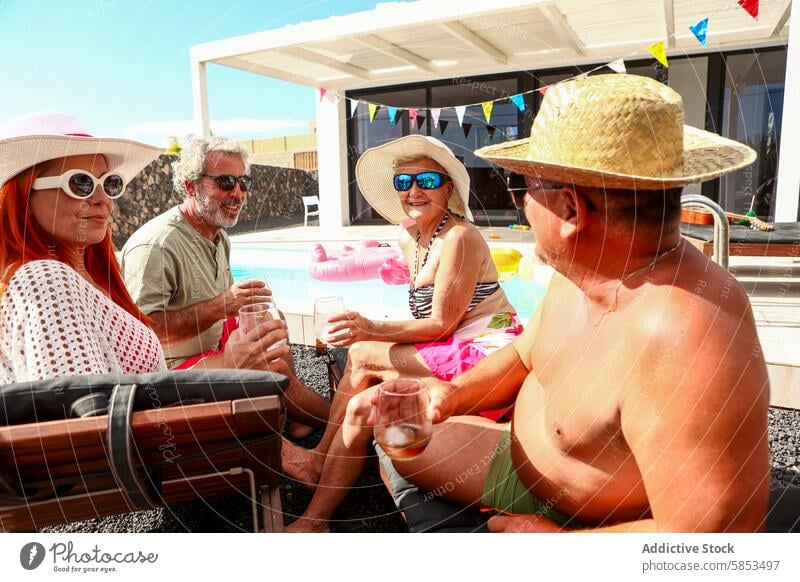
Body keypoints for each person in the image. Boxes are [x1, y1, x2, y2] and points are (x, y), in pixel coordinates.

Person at [345, 74, 771, 533]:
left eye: (524, 187)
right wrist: (455, 394)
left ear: (570, 210)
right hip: (519, 459)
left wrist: (556, 543)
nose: (522, 205)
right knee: (390, 430)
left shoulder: (690, 334)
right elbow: (527, 353)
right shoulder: (582, 273)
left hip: (601, 527)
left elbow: (716, 538)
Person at [285, 135, 522, 532]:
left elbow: (440, 323)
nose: (414, 191)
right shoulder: (408, 236)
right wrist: (374, 333)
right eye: (403, 182)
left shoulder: (459, 238)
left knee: (361, 355)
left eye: (427, 181)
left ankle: (317, 470)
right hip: (452, 343)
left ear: (448, 188)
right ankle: (320, 467)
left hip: (481, 349)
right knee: (362, 367)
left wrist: (370, 327)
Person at [120, 136, 329, 432]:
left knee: (272, 325)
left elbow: (227, 310)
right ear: (191, 186)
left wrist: (252, 316)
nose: (238, 193)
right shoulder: (158, 246)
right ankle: (344, 425)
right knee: (268, 365)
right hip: (171, 373)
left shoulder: (218, 236)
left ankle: (295, 413)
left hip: (211, 343)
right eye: (226, 182)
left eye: (244, 183)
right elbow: (143, 333)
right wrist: (220, 306)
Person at [0, 112, 167, 382]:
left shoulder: (84, 277)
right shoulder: (46, 281)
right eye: (80, 182)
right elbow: (80, 414)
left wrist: (222, 364)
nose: (103, 199)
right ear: (24, 198)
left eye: (110, 183)